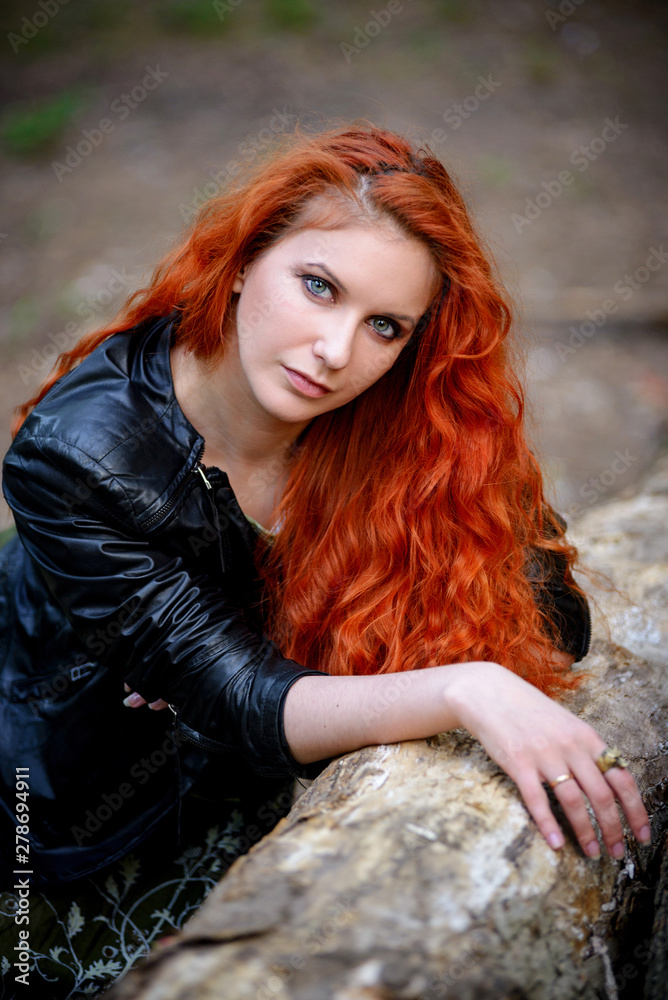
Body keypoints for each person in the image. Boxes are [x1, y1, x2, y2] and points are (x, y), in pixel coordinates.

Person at [0, 120, 650, 993]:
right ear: (239, 265)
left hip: (252, 781)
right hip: (72, 800)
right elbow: (241, 698)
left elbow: (556, 626)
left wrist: (461, 451)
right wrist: (467, 686)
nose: (337, 353)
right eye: (317, 286)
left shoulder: (383, 420)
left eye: (384, 325)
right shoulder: (76, 459)